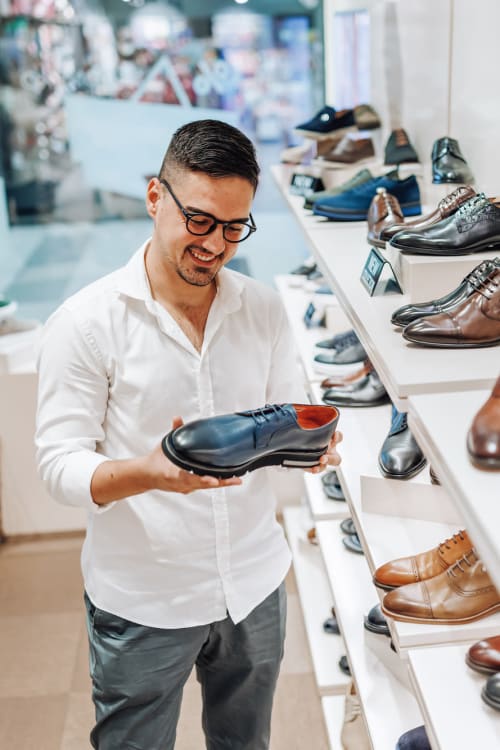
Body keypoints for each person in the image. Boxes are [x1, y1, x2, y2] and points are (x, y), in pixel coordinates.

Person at [35, 119, 342, 750]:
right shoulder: (86, 323)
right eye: (200, 221)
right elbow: (58, 465)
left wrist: (307, 449)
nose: (216, 245)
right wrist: (147, 472)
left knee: (245, 745)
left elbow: (283, 415)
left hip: (255, 583)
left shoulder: (262, 307)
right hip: (145, 597)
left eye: (235, 227)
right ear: (155, 197)